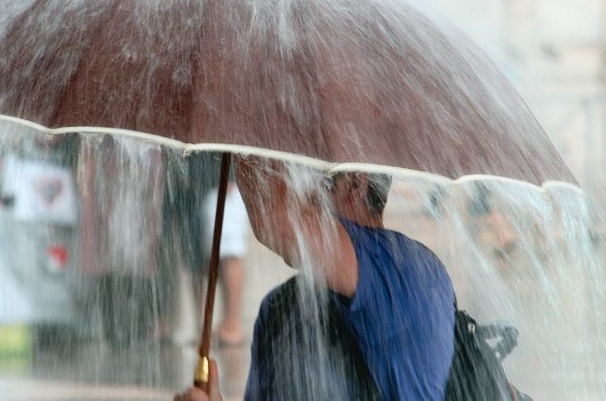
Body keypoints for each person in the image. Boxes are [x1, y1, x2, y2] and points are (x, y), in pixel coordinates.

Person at [175, 157, 456, 400]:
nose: (293, 189)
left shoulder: (411, 271)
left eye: (300, 175)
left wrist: (238, 116)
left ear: (355, 182)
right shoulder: (279, 306)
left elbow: (275, 217)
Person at [202, 180, 251, 347]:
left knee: (230, 252)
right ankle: (227, 323)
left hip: (224, 182)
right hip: (207, 183)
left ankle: (232, 326)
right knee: (221, 255)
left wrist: (230, 176)